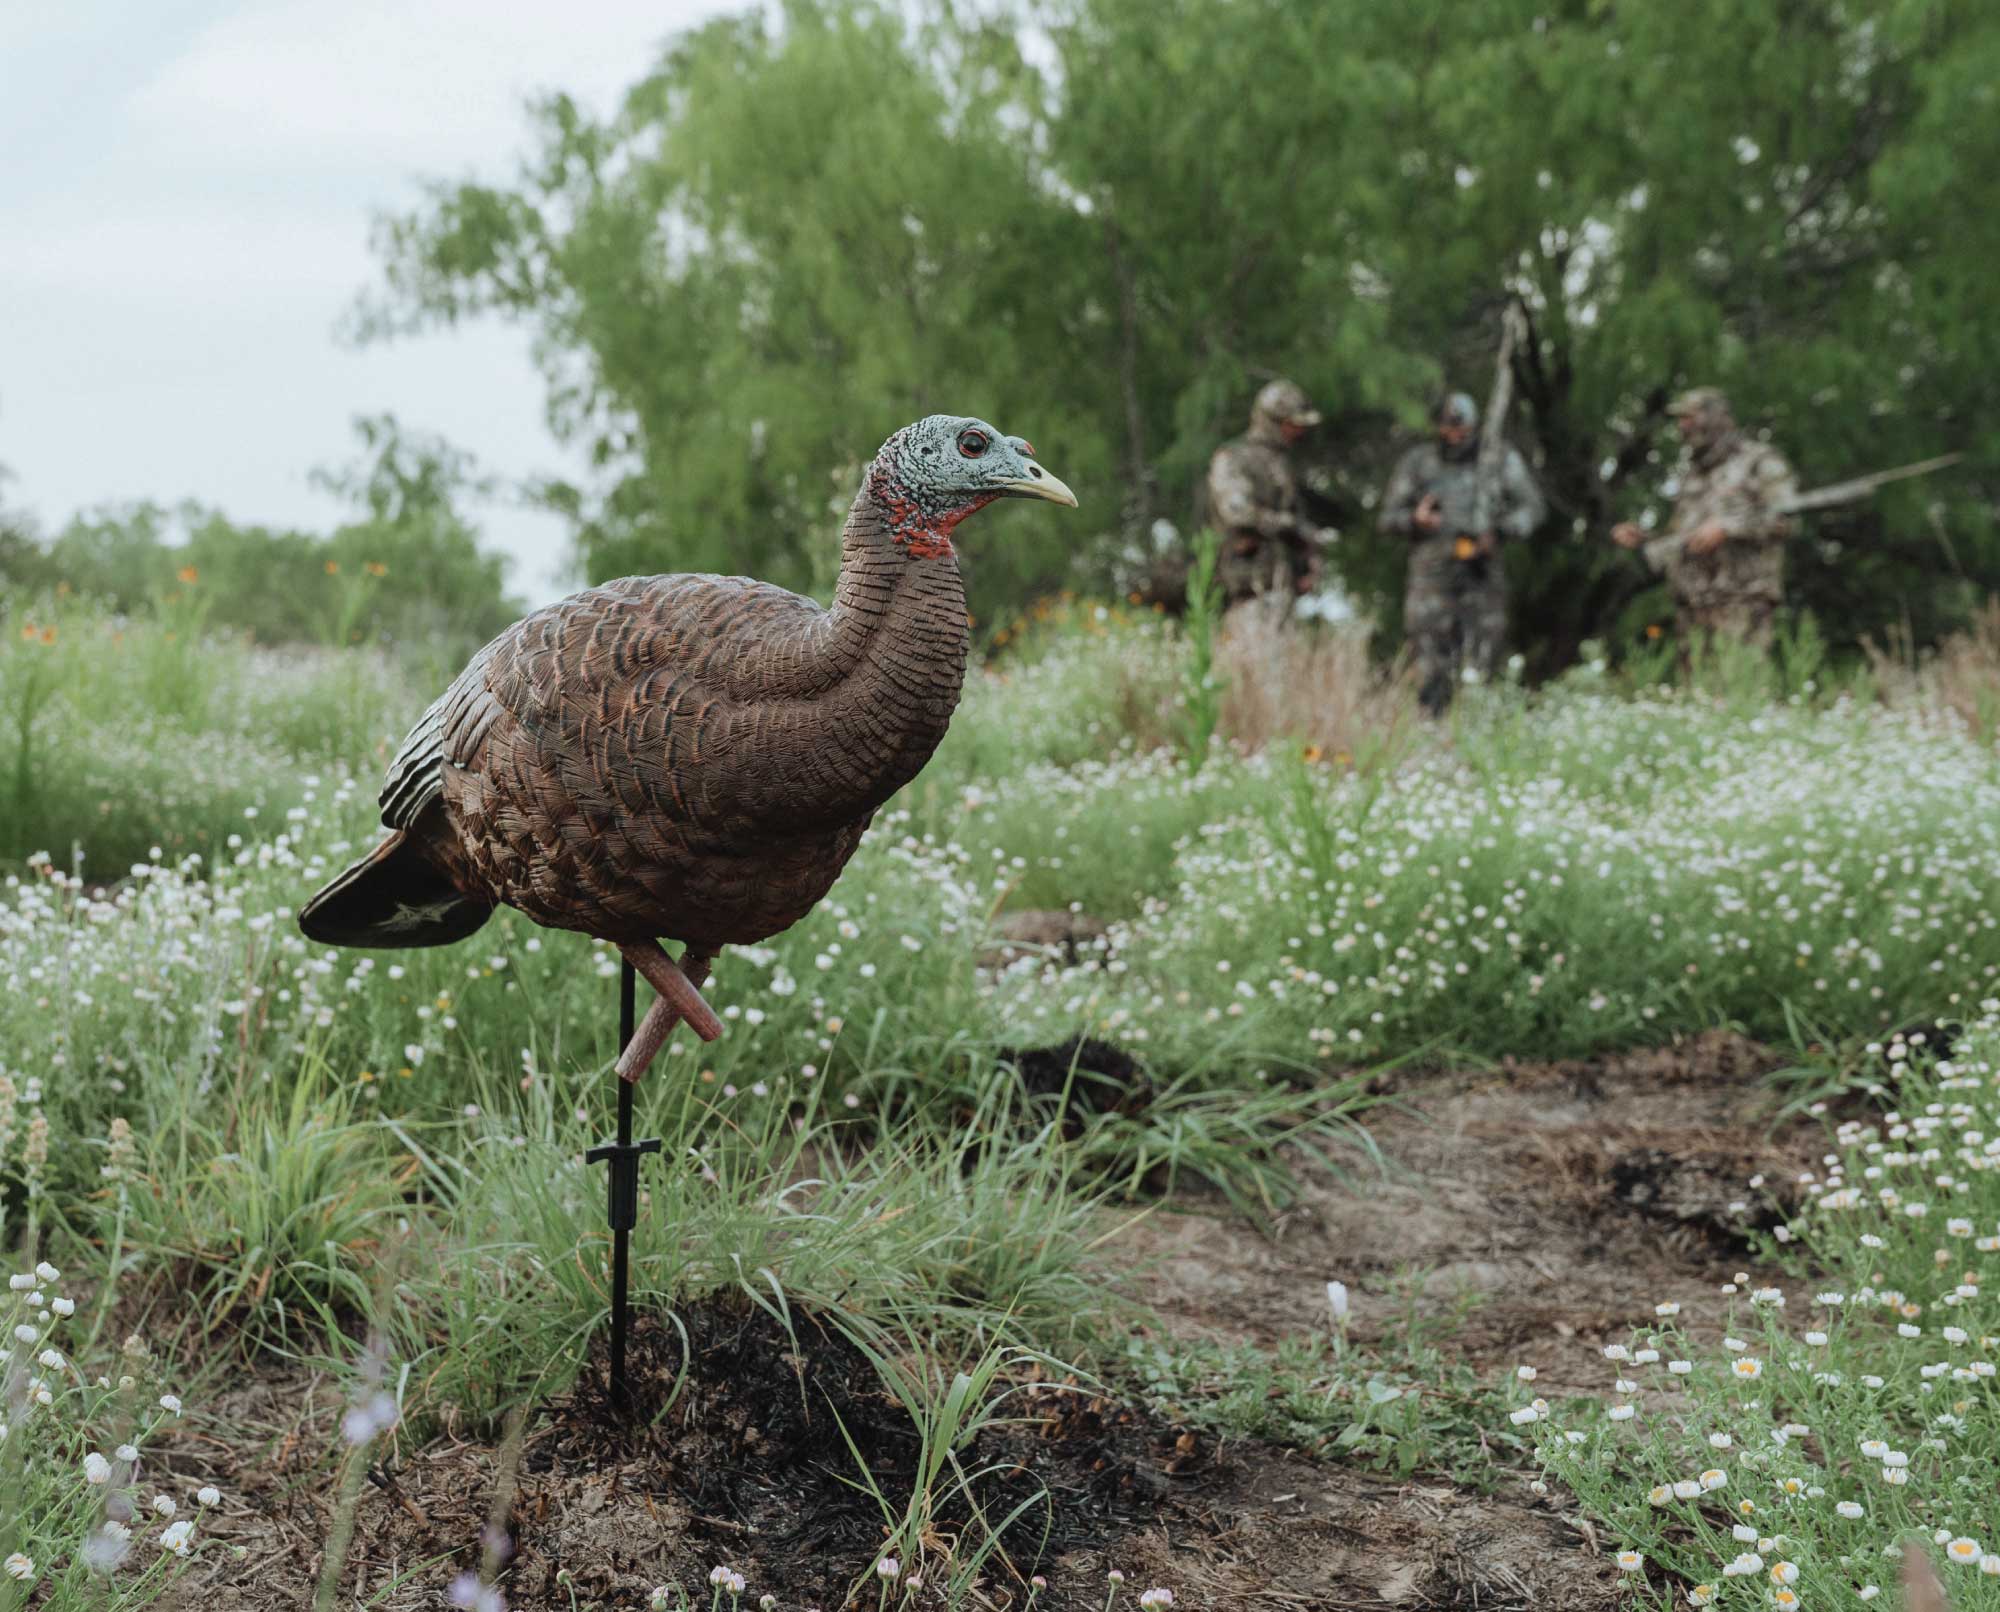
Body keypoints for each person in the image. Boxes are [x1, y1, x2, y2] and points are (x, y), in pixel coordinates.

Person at [1379, 392, 1545, 713]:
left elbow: (1532, 508)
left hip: (1482, 577)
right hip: (1432, 581)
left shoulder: (1497, 460)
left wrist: (1500, 530)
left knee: (1481, 665)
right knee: (1430, 668)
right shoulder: (1418, 463)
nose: (1456, 435)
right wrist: (1416, 520)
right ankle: (1430, 737)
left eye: (1463, 427)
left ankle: (1476, 738)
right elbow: (1387, 519)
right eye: (1449, 427)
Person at [1612, 387, 1799, 657]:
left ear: (1716, 418)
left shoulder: (1758, 461)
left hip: (1741, 603)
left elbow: (1785, 517)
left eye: (1689, 417)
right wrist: (1646, 537)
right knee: (1696, 695)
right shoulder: (1691, 475)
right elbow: (1684, 534)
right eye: (1680, 420)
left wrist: (1728, 528)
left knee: (1737, 691)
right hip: (1692, 606)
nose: (1682, 426)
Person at [1203, 379, 1333, 612]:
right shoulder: (1234, 457)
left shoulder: (1281, 463)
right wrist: (1291, 526)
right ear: (1271, 421)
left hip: (1283, 589)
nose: (1298, 431)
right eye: (1291, 424)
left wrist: (1308, 558)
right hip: (1245, 589)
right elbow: (1238, 513)